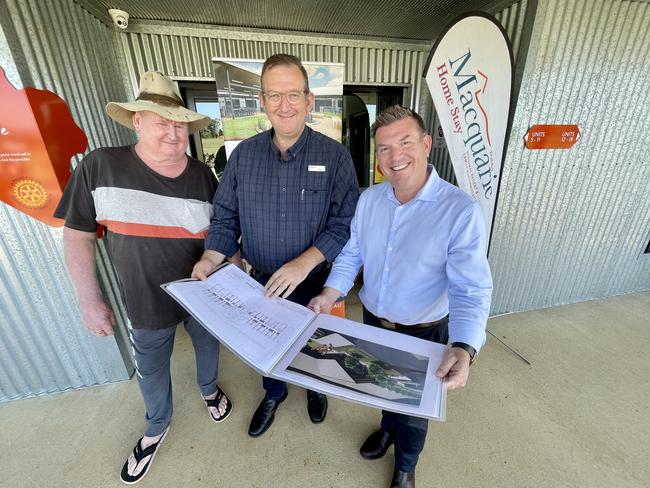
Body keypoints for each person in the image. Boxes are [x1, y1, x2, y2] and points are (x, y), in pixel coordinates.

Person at [54, 71, 235, 485]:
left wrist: (233, 284)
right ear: (137, 121)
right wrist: (89, 300)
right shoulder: (100, 166)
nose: (173, 134)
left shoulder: (203, 176)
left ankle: (209, 389)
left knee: (208, 345)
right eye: (161, 122)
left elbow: (221, 234)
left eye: (179, 124)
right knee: (152, 366)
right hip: (142, 298)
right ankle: (157, 426)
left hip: (201, 293)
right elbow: (78, 235)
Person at [309, 105, 493, 488]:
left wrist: (464, 346)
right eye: (384, 148)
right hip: (375, 322)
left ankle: (406, 464)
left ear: (426, 144)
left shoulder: (459, 211)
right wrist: (330, 292)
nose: (395, 157)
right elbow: (352, 253)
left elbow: (470, 287)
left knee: (413, 410)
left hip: (424, 332)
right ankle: (387, 429)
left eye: (405, 142)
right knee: (378, 383)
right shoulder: (370, 200)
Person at [192, 54, 359, 437]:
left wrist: (304, 263)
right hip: (260, 281)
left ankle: (316, 390)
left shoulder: (335, 157)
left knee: (319, 348)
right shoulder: (243, 157)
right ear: (263, 102)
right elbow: (225, 218)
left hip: (317, 281)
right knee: (265, 348)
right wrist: (209, 258)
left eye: (293, 95)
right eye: (274, 95)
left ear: (309, 100)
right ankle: (274, 392)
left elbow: (344, 223)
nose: (285, 105)